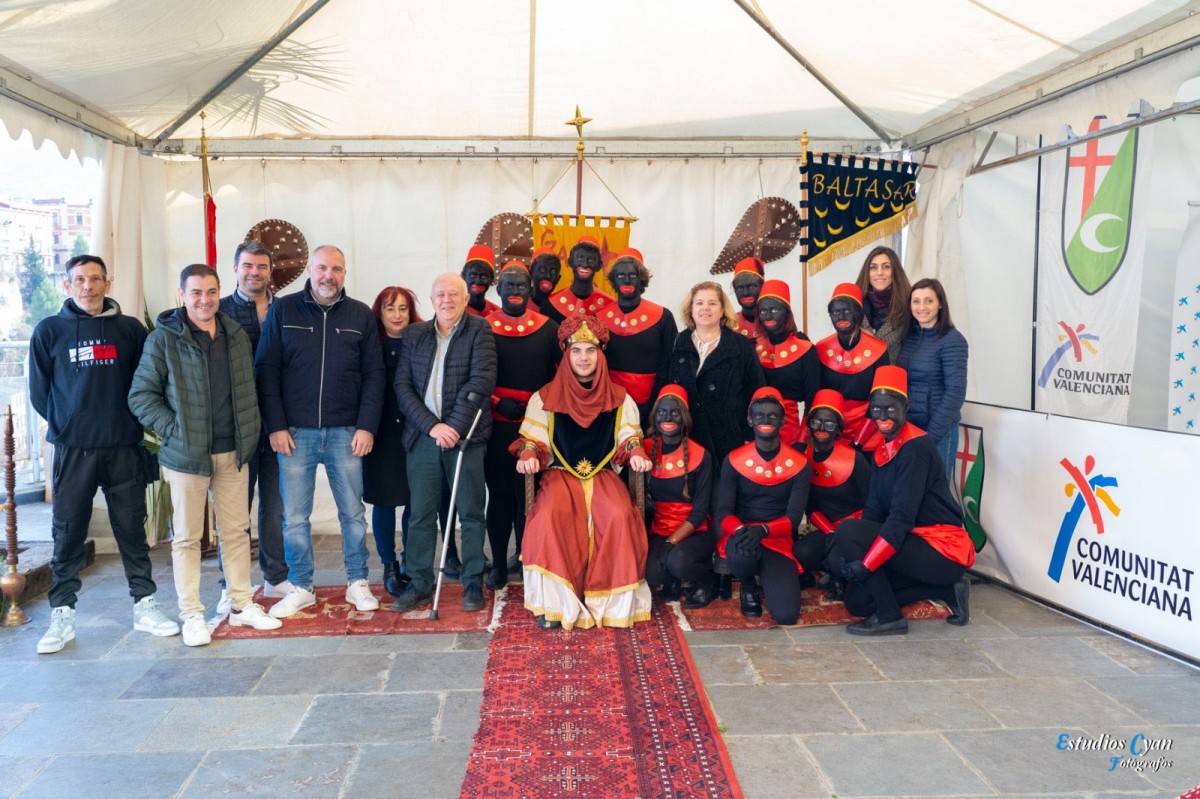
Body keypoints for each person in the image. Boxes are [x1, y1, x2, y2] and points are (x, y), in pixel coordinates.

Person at [28, 254, 180, 654]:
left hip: (123, 447)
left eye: (95, 279)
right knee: (67, 533)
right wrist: (70, 424)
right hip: (74, 450)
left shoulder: (130, 330)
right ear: (67, 285)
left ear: (107, 284)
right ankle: (62, 613)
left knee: (131, 528)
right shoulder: (48, 331)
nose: (88, 287)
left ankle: (145, 604)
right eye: (79, 279)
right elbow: (40, 394)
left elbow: (147, 383)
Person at [129, 264, 282, 646]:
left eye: (211, 292)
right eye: (196, 292)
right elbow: (140, 396)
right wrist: (177, 430)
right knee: (187, 538)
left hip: (232, 452)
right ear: (182, 294)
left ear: (219, 293)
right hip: (187, 457)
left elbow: (248, 389)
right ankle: (192, 614)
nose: (204, 300)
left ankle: (241, 605)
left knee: (236, 533)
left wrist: (249, 433)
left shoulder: (234, 334)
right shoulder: (163, 339)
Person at [255, 245, 386, 618]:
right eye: (323, 268)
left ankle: (358, 581)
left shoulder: (360, 315)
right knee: (294, 517)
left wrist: (367, 426)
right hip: (295, 433)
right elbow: (267, 371)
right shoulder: (283, 310)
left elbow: (375, 375)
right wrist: (276, 426)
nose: (329, 275)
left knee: (353, 514)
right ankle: (301, 586)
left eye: (337, 269)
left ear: (345, 273)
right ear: (309, 270)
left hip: (347, 431)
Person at [512, 313, 653, 630]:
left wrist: (637, 452)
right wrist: (530, 455)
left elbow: (629, 438)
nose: (584, 357)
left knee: (618, 515)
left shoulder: (620, 398)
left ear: (600, 355)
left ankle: (609, 603)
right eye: (576, 351)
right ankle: (555, 605)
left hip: (603, 477)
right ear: (566, 355)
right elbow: (533, 440)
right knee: (548, 516)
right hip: (559, 474)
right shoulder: (544, 397)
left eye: (590, 350)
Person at [832, 365, 973, 635]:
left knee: (848, 531)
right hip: (910, 544)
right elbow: (874, 510)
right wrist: (855, 556)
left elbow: (901, 517)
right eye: (876, 409)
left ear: (905, 407)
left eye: (890, 409)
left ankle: (890, 617)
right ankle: (945, 589)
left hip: (940, 550)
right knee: (857, 601)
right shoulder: (882, 449)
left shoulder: (916, 448)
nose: (882, 416)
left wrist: (866, 563)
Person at [390, 273, 497, 614]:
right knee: (420, 514)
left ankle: (472, 583)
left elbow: (482, 381)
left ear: (465, 299)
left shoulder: (479, 330)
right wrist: (433, 426)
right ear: (432, 299)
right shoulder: (415, 335)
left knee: (470, 512)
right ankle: (419, 582)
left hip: (467, 438)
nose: (447, 300)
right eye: (440, 295)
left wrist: (452, 426)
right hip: (423, 438)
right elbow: (403, 387)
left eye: (454, 294)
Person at [668, 282, 764, 601]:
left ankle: (724, 570)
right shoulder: (680, 343)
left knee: (726, 505)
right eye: (699, 303)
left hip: (729, 439)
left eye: (712, 303)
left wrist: (751, 438)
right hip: (689, 442)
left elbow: (756, 394)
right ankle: (697, 566)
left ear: (723, 310)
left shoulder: (740, 346)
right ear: (690, 309)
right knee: (697, 505)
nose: (706, 308)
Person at [218, 239, 290, 604]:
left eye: (262, 267)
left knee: (276, 509)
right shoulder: (219, 311)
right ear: (236, 269)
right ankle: (230, 586)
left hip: (279, 426)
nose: (255, 273)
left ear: (270, 271)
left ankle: (276, 578)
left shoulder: (287, 310)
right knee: (234, 511)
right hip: (235, 428)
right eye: (248, 266)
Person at [483, 261, 559, 589]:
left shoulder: (549, 327)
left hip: (536, 428)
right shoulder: (481, 327)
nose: (515, 292)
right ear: (497, 290)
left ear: (530, 290)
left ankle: (526, 558)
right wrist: (497, 402)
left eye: (520, 286)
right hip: (496, 426)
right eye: (508, 285)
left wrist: (537, 409)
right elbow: (472, 377)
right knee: (500, 497)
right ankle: (499, 562)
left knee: (529, 497)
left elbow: (559, 378)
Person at [715, 387, 810, 624]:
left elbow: (794, 518)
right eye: (759, 415)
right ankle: (748, 585)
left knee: (787, 616)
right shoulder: (734, 459)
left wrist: (764, 530)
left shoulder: (799, 464)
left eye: (772, 416)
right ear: (750, 420)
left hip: (777, 539)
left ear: (783, 420)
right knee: (740, 554)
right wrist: (741, 531)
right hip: (744, 534)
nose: (765, 420)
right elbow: (723, 512)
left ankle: (769, 577)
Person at [363, 286, 423, 596]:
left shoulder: (422, 341)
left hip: (414, 432)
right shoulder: (370, 343)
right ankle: (389, 564)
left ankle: (411, 562)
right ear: (380, 312)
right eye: (390, 309)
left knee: (415, 501)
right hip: (381, 433)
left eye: (402, 308)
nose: (397, 315)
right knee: (384, 502)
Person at [644, 384, 717, 609]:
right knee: (651, 571)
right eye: (662, 412)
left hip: (694, 530)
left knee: (678, 562)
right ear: (655, 416)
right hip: (658, 528)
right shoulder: (644, 450)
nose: (668, 417)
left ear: (684, 417)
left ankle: (708, 580)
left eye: (674, 412)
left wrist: (671, 542)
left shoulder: (701, 455)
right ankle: (671, 580)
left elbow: (700, 512)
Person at [896, 278, 969, 483]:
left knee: (935, 496)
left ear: (940, 304)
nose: (922, 307)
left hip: (938, 431)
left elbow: (955, 392)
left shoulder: (953, 340)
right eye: (916, 301)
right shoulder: (907, 337)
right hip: (908, 428)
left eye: (928, 301)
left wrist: (931, 435)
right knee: (909, 491)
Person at [803, 389, 871, 601]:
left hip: (855, 527)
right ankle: (837, 569)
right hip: (827, 529)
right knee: (801, 553)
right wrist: (830, 531)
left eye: (829, 423)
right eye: (817, 422)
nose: (822, 428)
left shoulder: (855, 459)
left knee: (836, 561)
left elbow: (872, 502)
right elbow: (808, 505)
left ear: (839, 428)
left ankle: (838, 575)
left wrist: (847, 533)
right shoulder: (802, 457)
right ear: (809, 424)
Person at [600, 248, 678, 427]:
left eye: (633, 276)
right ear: (613, 280)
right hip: (608, 402)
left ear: (642, 279)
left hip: (650, 404)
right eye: (620, 276)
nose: (626, 280)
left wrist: (657, 403)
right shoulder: (599, 318)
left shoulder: (663, 317)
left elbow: (669, 363)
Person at [816, 283, 888, 452]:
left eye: (847, 311)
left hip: (869, 430)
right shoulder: (821, 349)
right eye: (835, 312)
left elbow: (880, 399)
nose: (841, 317)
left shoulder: (879, 350)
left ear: (859, 313)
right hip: (830, 428)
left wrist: (859, 441)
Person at [754, 280, 819, 447]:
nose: (768, 316)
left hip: (792, 429)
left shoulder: (806, 349)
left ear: (787, 313)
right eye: (763, 311)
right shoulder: (752, 347)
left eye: (775, 310)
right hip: (758, 427)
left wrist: (803, 439)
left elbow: (813, 399)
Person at [855, 245, 912, 364]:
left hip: (893, 377)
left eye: (886, 267)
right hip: (859, 376)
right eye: (873, 267)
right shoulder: (853, 306)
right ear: (867, 272)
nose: (879, 273)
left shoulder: (909, 306)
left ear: (895, 271)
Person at [543, 236, 614, 323]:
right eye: (580, 258)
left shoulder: (609, 305)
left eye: (591, 260)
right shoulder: (550, 304)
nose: (585, 264)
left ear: (599, 265)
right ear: (570, 261)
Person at [729, 256, 765, 340]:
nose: (745, 293)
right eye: (740, 288)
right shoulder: (728, 325)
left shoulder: (775, 321)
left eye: (751, 287)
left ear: (762, 287)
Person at [462, 244, 500, 318]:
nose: (478, 281)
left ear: (491, 279)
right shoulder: (453, 311)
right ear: (464, 277)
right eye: (472, 275)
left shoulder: (497, 314)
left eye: (484, 276)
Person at [529, 247, 562, 317]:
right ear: (531, 273)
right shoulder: (520, 307)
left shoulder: (561, 310)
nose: (548, 276)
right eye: (542, 270)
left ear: (558, 279)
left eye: (553, 272)